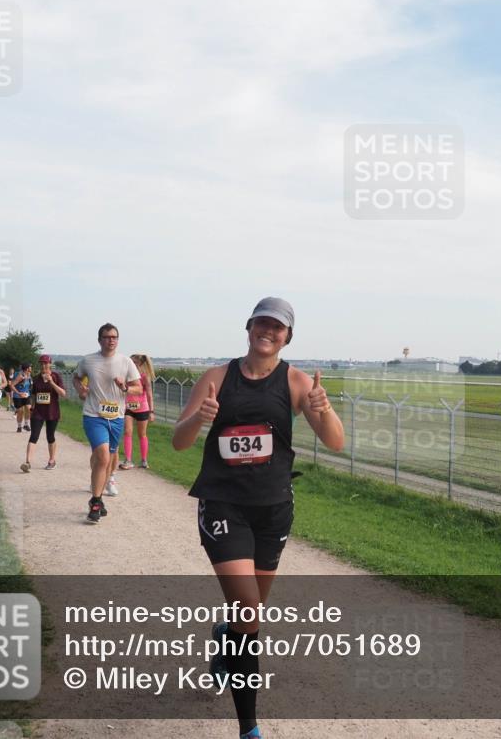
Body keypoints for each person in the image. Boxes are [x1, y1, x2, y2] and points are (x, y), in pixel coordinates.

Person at [172, 298, 344, 739]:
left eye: (278, 327)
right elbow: (178, 442)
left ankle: (224, 639)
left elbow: (336, 442)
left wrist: (322, 408)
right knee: (249, 611)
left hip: (272, 510)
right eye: (262, 324)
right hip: (223, 504)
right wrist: (199, 417)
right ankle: (249, 728)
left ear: (287, 336)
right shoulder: (216, 378)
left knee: (247, 615)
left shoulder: (297, 381)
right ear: (248, 327)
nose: (268, 332)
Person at [73, 323, 141, 523]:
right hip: (94, 415)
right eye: (107, 337)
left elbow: (139, 388)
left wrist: (125, 386)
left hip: (116, 417)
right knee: (103, 457)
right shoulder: (88, 360)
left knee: (106, 460)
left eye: (114, 337)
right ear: (99, 340)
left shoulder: (126, 362)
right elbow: (77, 378)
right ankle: (95, 501)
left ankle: (98, 496)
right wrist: (81, 390)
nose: (111, 340)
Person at [21, 355, 67, 473]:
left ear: (50, 364)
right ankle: (27, 463)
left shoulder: (56, 377)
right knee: (34, 436)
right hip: (38, 412)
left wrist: (51, 382)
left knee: (50, 436)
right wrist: (30, 405)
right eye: (41, 363)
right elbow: (32, 395)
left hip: (52, 412)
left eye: (45, 363)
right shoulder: (36, 379)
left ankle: (52, 460)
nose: (43, 366)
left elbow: (63, 393)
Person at [119, 354, 156, 470]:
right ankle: (128, 460)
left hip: (142, 408)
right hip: (128, 407)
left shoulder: (144, 377)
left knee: (142, 434)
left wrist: (151, 411)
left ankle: (144, 460)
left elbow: (149, 394)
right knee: (127, 431)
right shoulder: (126, 375)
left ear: (140, 364)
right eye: (130, 362)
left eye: (134, 362)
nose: (131, 364)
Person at [11, 363, 33, 433]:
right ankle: (19, 426)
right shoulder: (20, 376)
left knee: (29, 409)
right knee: (20, 411)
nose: (31, 368)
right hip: (18, 396)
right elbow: (11, 385)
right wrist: (18, 393)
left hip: (26, 395)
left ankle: (26, 424)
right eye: (30, 367)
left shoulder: (29, 375)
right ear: (27, 368)